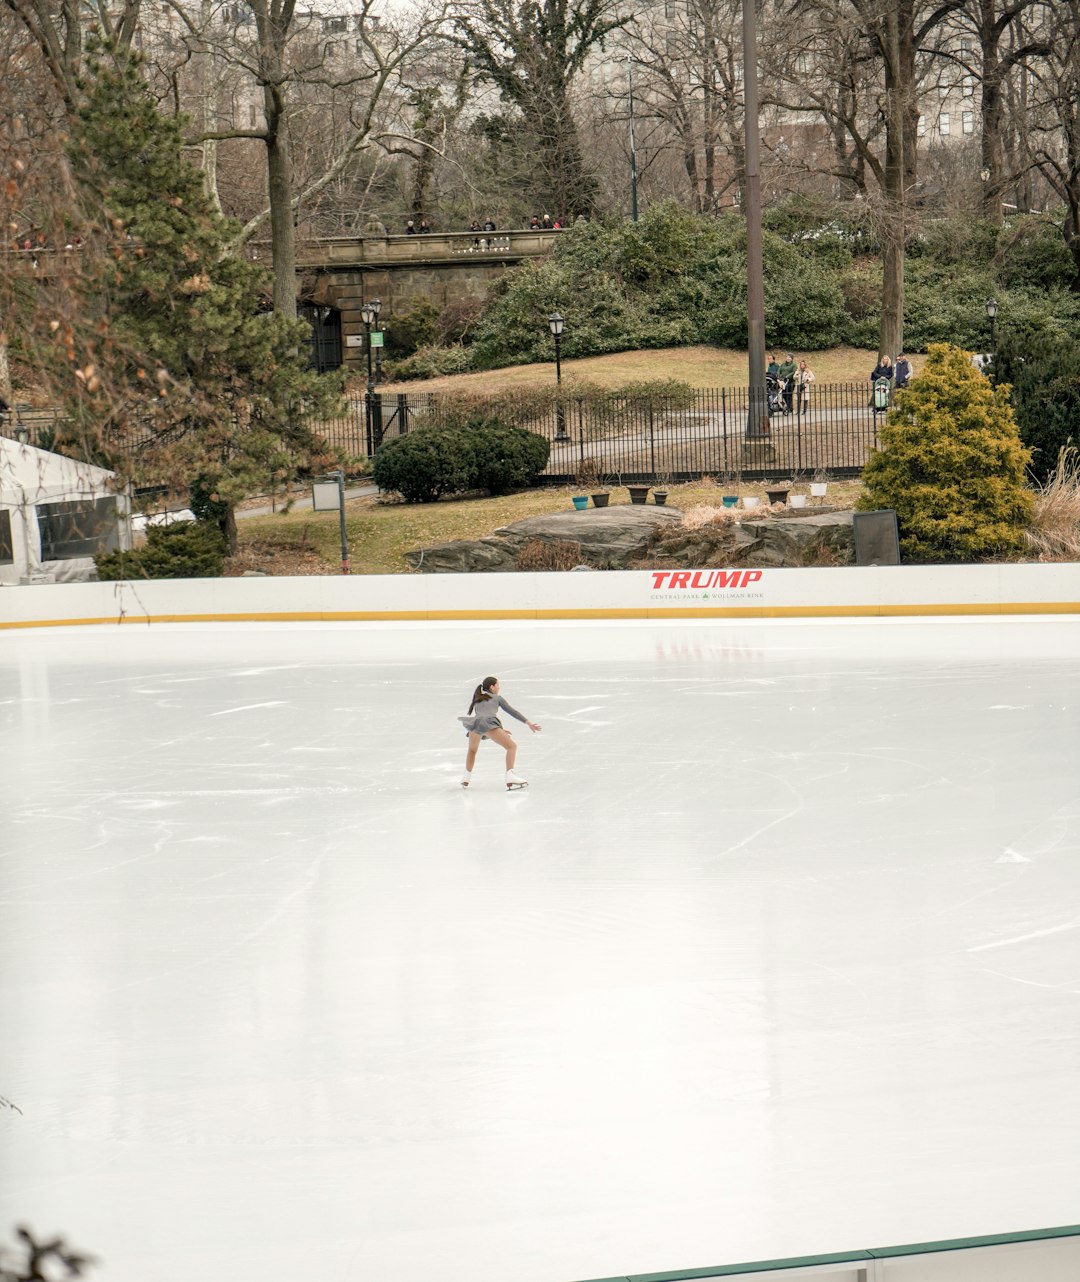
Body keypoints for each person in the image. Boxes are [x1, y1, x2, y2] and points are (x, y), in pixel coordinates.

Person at [459, 676, 540, 789]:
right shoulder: (498, 698)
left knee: (472, 751)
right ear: (492, 687)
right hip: (487, 723)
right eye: (498, 685)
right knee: (512, 747)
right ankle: (510, 776)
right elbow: (512, 711)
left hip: (475, 724)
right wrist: (528, 722)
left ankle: (466, 778)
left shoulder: (478, 697)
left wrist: (499, 730)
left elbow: (483, 716)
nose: (499, 687)